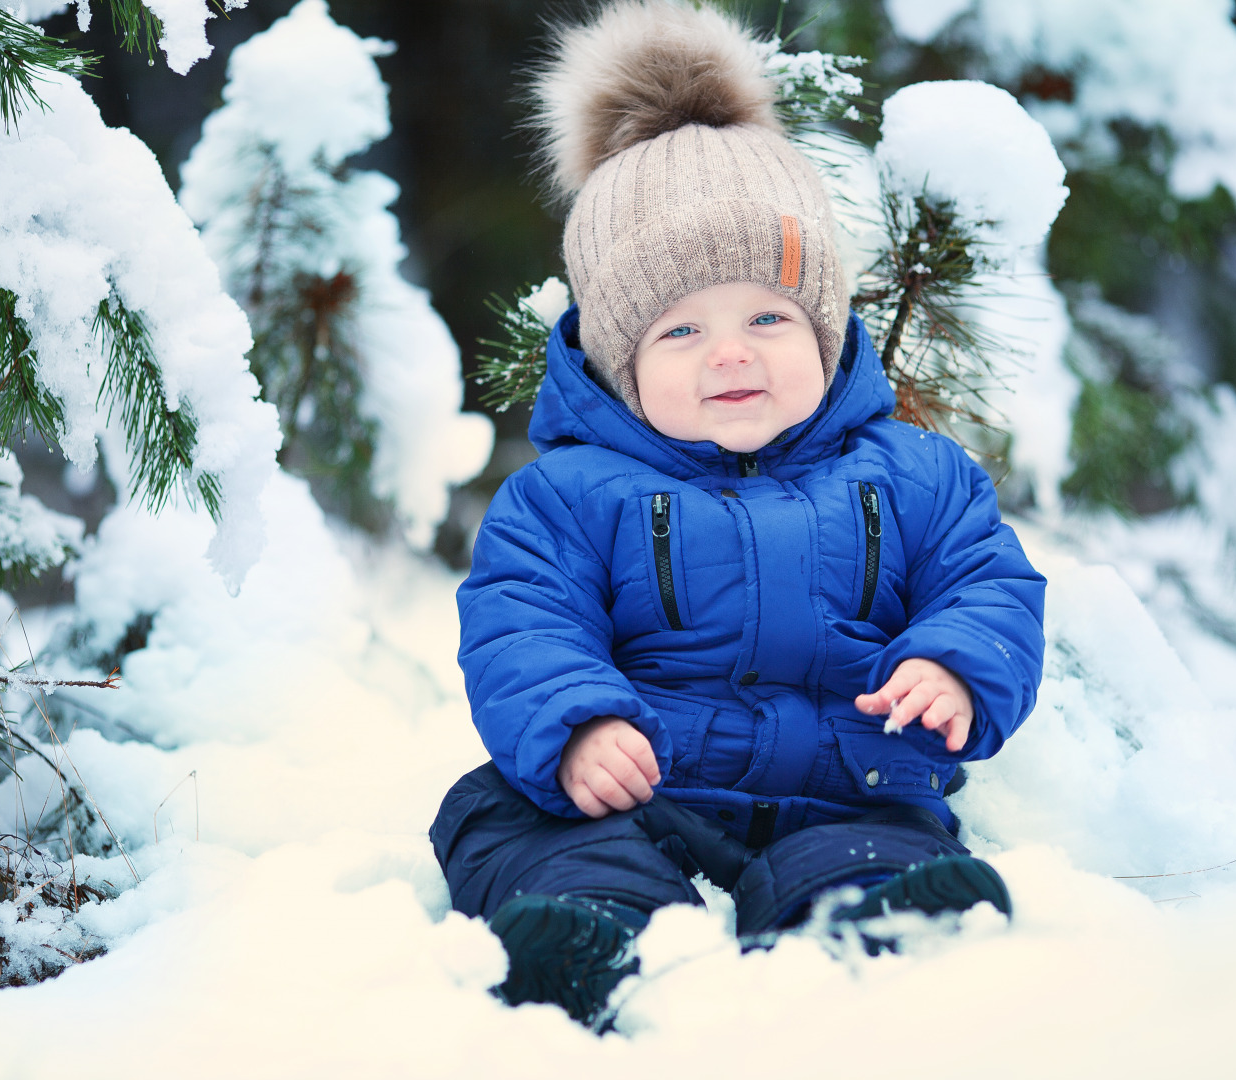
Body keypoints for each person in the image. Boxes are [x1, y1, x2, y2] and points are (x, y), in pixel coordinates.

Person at [430, 0, 1045, 1028]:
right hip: (637, 791)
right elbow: (521, 623)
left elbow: (987, 581)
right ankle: (587, 936)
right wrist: (576, 727)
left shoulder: (917, 475)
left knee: (884, 849)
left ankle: (889, 922)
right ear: (620, 367)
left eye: (769, 315)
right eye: (681, 330)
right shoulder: (567, 495)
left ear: (825, 329)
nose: (733, 353)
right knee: (513, 823)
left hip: (847, 788)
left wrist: (955, 666)